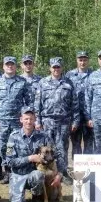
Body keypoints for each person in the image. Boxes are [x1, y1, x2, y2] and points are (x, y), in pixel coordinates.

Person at [6, 107, 63, 202]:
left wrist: (59, 174)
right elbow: (9, 161)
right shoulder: (12, 137)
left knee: (38, 175)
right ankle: (18, 195)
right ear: (21, 120)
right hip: (18, 175)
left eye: (31, 119)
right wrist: (30, 158)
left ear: (35, 119)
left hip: (35, 175)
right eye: (26, 119)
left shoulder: (43, 136)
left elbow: (57, 155)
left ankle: (37, 197)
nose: (28, 122)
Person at [0, 56, 33, 184]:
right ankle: (7, 171)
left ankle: (17, 170)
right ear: (3, 66)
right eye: (7, 64)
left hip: (17, 122)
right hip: (2, 122)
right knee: (4, 147)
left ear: (16, 66)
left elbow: (29, 102)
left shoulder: (22, 82)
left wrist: (26, 119)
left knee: (18, 146)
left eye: (12, 64)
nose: (10, 66)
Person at [35, 57, 79, 185]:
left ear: (61, 68)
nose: (56, 69)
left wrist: (76, 121)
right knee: (48, 149)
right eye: (54, 67)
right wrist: (37, 121)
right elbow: (37, 104)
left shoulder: (69, 83)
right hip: (47, 121)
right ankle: (48, 173)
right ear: (50, 68)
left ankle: (63, 174)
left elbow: (75, 104)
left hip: (64, 121)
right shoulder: (43, 83)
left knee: (62, 149)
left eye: (58, 67)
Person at [65, 51, 95, 155]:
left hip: (89, 114)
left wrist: (90, 117)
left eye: (85, 60)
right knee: (75, 142)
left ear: (88, 61)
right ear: (77, 60)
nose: (82, 62)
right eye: (80, 60)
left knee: (89, 142)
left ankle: (88, 167)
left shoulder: (94, 74)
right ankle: (77, 168)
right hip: (74, 115)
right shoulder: (69, 75)